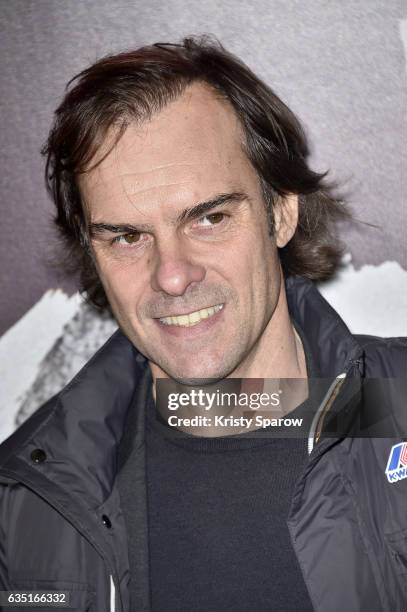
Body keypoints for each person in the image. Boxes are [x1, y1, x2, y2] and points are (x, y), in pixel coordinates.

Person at [0, 36, 406, 612]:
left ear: (281, 212)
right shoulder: (27, 497)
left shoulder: (397, 411)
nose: (171, 275)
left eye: (209, 218)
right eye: (126, 236)